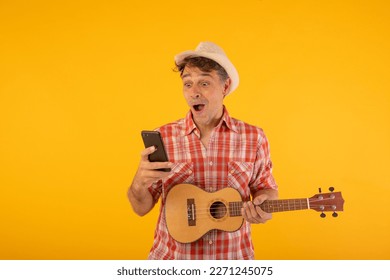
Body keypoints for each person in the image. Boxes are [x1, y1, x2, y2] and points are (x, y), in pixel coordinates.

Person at [127, 42, 278, 260]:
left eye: (204, 83)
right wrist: (139, 182)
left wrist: (264, 204)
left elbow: (266, 188)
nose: (194, 92)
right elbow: (140, 208)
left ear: (225, 87)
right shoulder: (164, 137)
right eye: (188, 84)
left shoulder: (254, 137)